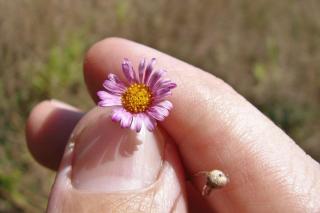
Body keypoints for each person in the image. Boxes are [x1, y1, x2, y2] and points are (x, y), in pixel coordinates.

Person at [26, 38, 320, 212]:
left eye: (142, 94)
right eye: (133, 93)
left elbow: (158, 103)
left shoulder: (152, 101)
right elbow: (114, 98)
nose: (137, 94)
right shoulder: (126, 100)